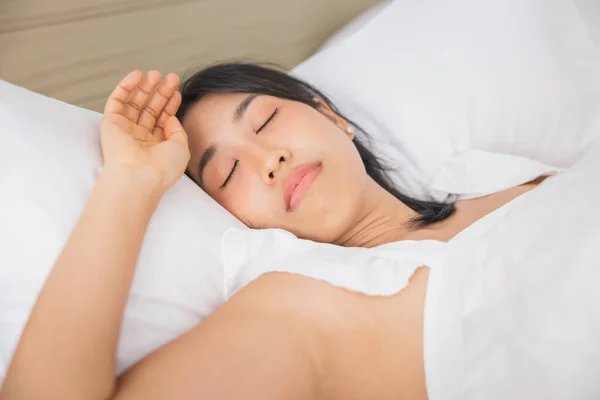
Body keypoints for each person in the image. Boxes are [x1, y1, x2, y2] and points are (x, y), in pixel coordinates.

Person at [1, 64, 546, 400]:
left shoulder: (506, 175)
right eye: (228, 173)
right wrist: (130, 181)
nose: (269, 159)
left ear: (333, 117)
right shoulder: (304, 305)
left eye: (263, 122)